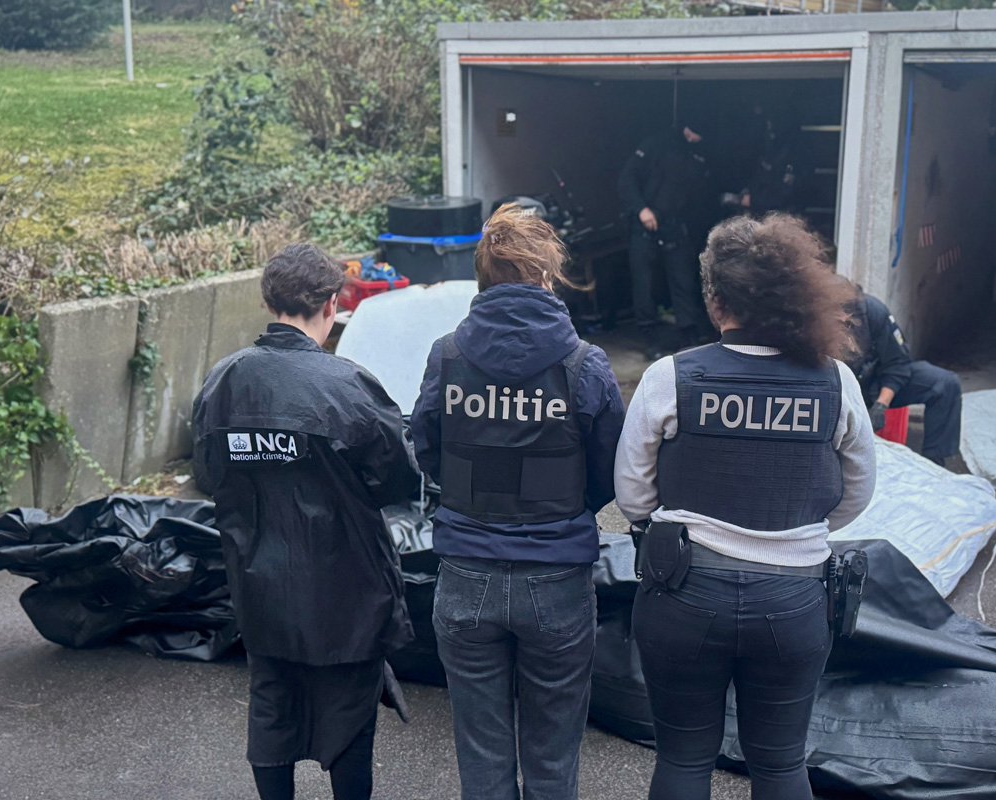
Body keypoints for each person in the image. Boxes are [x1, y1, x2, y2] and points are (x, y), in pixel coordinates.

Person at [615, 213, 876, 800]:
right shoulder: (835, 381)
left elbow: (632, 494)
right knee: (780, 765)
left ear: (715, 300)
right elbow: (857, 489)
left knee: (683, 760)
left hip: (682, 594)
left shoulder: (669, 376)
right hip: (794, 602)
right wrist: (797, 530)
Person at [410, 204, 626, 800]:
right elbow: (611, 471)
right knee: (552, 761)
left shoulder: (447, 355)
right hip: (556, 576)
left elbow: (426, 448)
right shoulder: (585, 364)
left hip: (465, 574)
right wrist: (563, 508)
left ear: (482, 278)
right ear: (547, 277)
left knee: (482, 759)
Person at [191, 244, 419, 800]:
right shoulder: (348, 385)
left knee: (272, 707)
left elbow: (207, 474)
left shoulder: (223, 382)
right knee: (350, 714)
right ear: (332, 304)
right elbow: (398, 479)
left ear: (269, 301)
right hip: (346, 590)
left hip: (260, 586)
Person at [617, 123, 709, 360]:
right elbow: (626, 180)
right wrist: (641, 209)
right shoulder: (655, 144)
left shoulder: (697, 154)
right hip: (644, 224)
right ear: (687, 128)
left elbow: (698, 195)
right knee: (644, 284)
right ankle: (650, 337)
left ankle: (688, 334)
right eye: (695, 133)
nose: (696, 138)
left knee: (683, 280)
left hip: (675, 226)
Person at [847, 290, 962, 466]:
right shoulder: (813, 319)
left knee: (945, 383)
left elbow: (897, 362)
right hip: (838, 393)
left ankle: (934, 464)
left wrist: (881, 405)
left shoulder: (871, 310)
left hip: (873, 386)